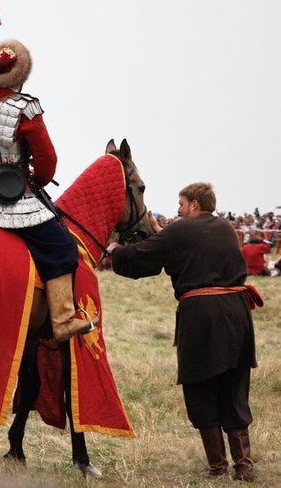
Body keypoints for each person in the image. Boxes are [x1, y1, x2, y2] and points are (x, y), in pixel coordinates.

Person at [0, 7, 93, 341]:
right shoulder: (26, 108)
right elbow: (47, 161)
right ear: (21, 75)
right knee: (61, 248)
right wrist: (35, 182)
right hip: (9, 201)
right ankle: (63, 320)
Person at [107, 183, 257, 481]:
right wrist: (158, 227)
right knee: (234, 387)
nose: (178, 209)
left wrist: (116, 251)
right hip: (238, 314)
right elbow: (184, 245)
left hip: (202, 317)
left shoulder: (181, 231)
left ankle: (217, 467)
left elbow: (144, 255)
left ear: (195, 205)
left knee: (200, 386)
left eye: (181, 204)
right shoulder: (226, 228)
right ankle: (244, 466)